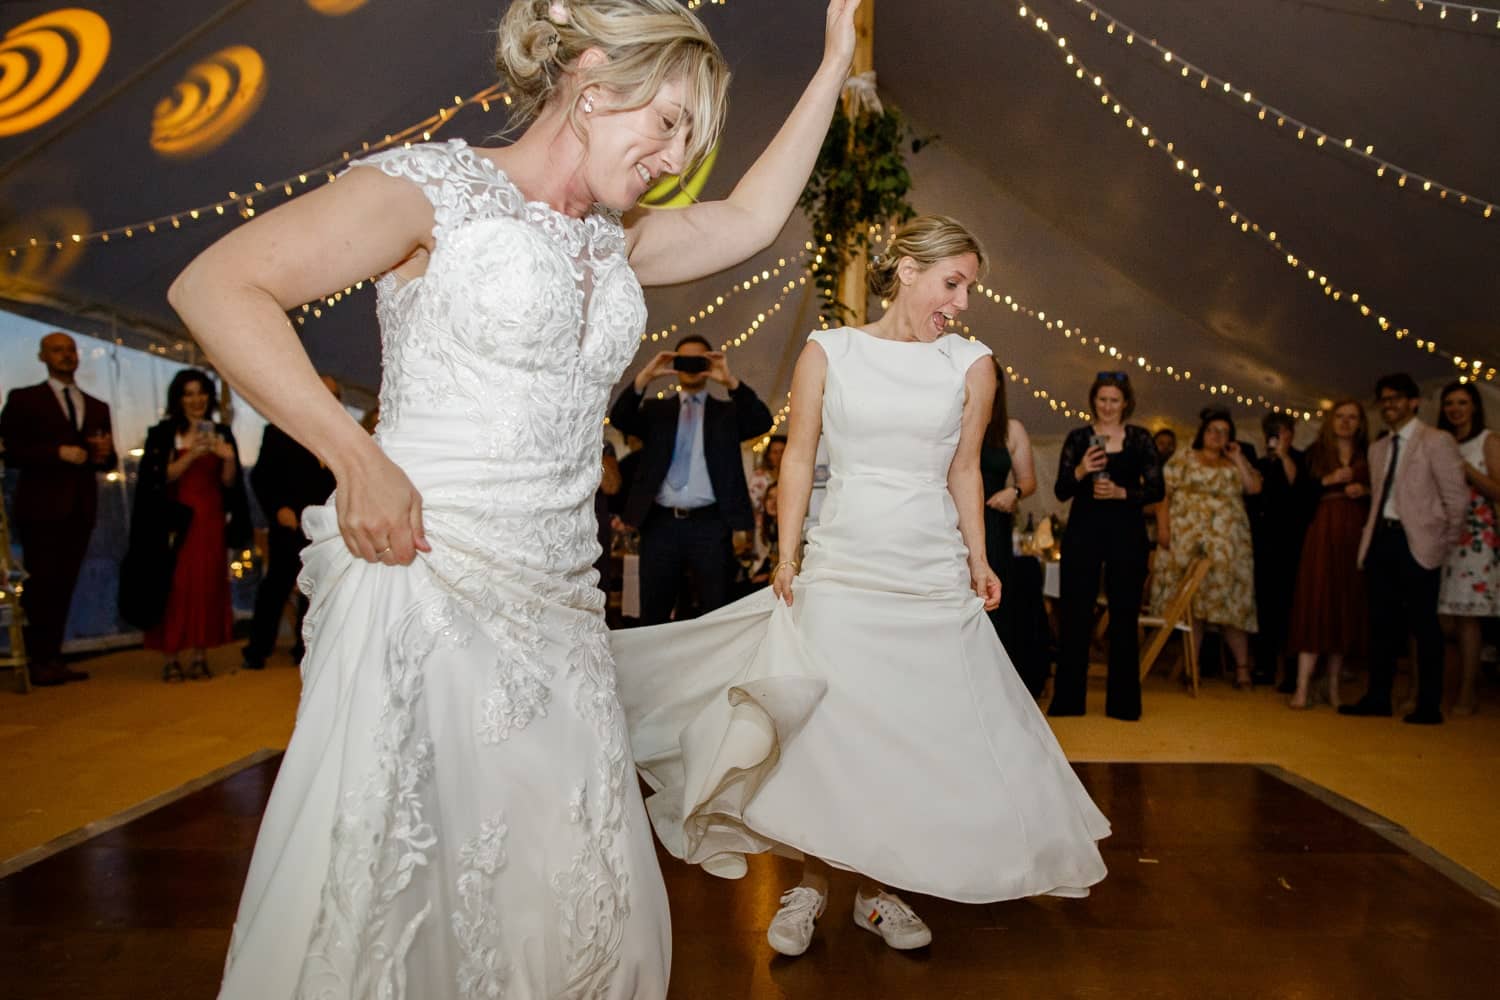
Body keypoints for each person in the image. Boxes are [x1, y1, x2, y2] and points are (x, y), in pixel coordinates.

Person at [166, 0, 862, 995]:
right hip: (428, 571)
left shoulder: (617, 242)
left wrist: (834, 62)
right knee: (414, 875)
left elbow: (752, 217)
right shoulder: (431, 189)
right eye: (666, 125)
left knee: (563, 875)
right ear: (587, 80)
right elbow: (218, 285)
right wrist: (350, 455)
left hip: (562, 606)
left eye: (691, 139)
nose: (675, 158)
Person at [612, 215, 1109, 960]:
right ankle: (810, 884)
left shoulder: (972, 363)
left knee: (911, 731)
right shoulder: (828, 351)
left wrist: (979, 559)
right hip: (844, 562)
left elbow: (965, 469)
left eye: (970, 287)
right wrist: (786, 557)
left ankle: (880, 892)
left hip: (927, 569)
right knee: (832, 730)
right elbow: (800, 455)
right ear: (907, 269)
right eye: (954, 283)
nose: (964, 302)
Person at [608, 334, 773, 623]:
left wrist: (730, 381)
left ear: (709, 365)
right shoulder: (657, 411)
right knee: (653, 613)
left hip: (710, 525)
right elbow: (620, 417)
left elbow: (762, 421)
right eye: (684, 359)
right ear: (674, 362)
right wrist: (646, 376)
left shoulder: (726, 413)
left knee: (717, 609)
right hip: (660, 525)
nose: (692, 365)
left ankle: (716, 667)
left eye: (700, 360)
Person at [1341, 373, 1467, 725]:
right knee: (1380, 623)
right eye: (1384, 399)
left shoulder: (1436, 441)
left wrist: (1441, 543)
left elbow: (1456, 500)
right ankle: (1378, 696)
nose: (1389, 404)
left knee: (1425, 625)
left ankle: (1429, 704)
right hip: (1383, 537)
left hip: (1420, 542)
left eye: (1396, 398)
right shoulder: (1379, 447)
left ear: (1414, 402)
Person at [0, 332, 117, 687]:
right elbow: (10, 449)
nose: (65, 356)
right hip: (41, 508)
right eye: (57, 350)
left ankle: (53, 657)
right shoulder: (24, 399)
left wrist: (101, 456)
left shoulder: (97, 406)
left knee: (65, 583)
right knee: (41, 584)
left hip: (79, 508)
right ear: (42, 356)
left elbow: (107, 460)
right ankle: (38, 660)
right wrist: (56, 452)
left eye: (69, 350)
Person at [1051, 372, 1164, 720]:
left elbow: (1157, 489)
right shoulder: (1078, 438)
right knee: (1076, 614)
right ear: (1093, 401)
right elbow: (1061, 490)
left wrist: (1123, 493)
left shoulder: (1140, 439)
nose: (1108, 406)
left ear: (1125, 402)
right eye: (1102, 399)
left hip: (1127, 533)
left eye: (1114, 400)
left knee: (1124, 615)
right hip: (1084, 532)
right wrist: (1083, 469)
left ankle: (1124, 705)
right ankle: (1069, 701)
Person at [128, 370, 251, 681]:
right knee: (175, 586)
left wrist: (227, 459)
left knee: (207, 585)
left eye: (201, 393)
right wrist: (192, 455)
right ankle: (171, 656)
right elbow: (156, 479)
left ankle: (199, 655)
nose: (196, 400)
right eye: (189, 394)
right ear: (178, 399)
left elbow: (229, 484)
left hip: (210, 519)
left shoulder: (221, 432)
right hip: (174, 521)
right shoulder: (163, 433)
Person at [1152, 409, 1263, 689]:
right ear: (1203, 432)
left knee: (1232, 602)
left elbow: (1254, 488)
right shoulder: (1184, 459)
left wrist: (1237, 457)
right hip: (1188, 540)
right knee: (1194, 603)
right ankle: (1193, 666)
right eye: (1213, 430)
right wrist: (1163, 529)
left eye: (1224, 432)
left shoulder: (1234, 464)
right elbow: (1162, 494)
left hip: (1229, 544)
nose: (1218, 436)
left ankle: (1241, 669)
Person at [241, 375, 341, 671]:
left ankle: (305, 648)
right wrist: (278, 509)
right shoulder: (279, 430)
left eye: (333, 396)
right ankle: (257, 650)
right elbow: (260, 477)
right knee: (277, 586)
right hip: (289, 523)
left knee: (318, 588)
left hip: (326, 526)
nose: (327, 399)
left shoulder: (339, 436)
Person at [1285, 400, 1370, 709]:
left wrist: (1365, 491)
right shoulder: (1315, 455)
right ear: (1330, 421)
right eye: (1341, 417)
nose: (1346, 423)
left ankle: (1333, 685)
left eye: (1352, 417)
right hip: (1322, 531)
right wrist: (1327, 481)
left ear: (1360, 423)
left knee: (1344, 603)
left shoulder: (1369, 455)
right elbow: (1297, 499)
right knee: (1316, 600)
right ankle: (1303, 686)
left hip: (1353, 531)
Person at [1435, 381, 1500, 715]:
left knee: (1467, 616)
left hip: (1475, 535)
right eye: (1449, 403)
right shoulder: (1440, 440)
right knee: (1443, 616)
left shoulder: (1487, 440)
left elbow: (1498, 488)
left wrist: (1467, 469)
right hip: (1443, 532)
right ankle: (1449, 684)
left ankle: (1467, 692)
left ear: (1474, 406)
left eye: (1462, 402)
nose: (1455, 409)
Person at [980, 359, 1042, 691]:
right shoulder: (952, 421)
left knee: (993, 598)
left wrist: (1013, 492)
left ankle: (995, 684)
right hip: (952, 518)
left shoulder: (1010, 428)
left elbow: (1028, 481)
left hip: (993, 519)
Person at [1250, 412, 1307, 689]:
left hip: (1290, 544)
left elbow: (1297, 487)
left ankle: (1291, 672)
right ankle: (1265, 666)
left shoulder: (1301, 459)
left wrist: (1284, 455)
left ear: (1291, 433)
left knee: (1289, 607)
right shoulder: (1260, 463)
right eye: (1272, 430)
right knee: (1264, 607)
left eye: (1282, 430)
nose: (1276, 435)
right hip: (1263, 543)